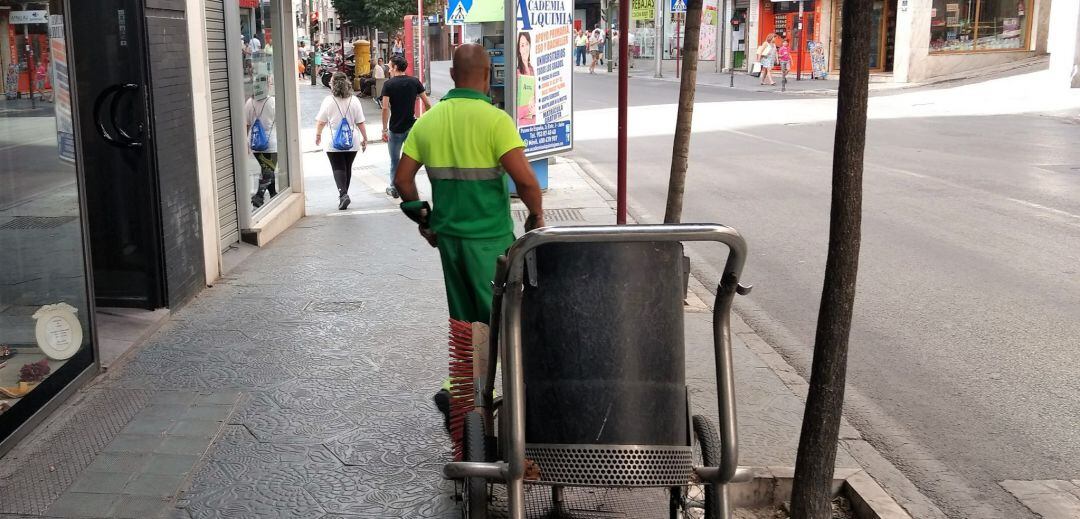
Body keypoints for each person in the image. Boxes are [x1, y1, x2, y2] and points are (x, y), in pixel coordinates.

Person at [393, 44, 544, 425]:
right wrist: (536, 216)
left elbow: (403, 180)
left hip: (450, 243)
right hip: (491, 242)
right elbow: (526, 181)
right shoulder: (495, 120)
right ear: (489, 74)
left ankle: (465, 401)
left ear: (454, 76)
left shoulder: (428, 121)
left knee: (464, 322)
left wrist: (424, 220)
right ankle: (505, 408)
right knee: (502, 321)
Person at [315, 72, 369, 210]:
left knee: (338, 167)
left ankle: (343, 194)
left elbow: (321, 122)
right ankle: (344, 194)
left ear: (332, 85)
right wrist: (365, 137)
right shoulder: (354, 100)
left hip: (333, 141)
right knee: (347, 167)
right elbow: (360, 122)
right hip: (352, 140)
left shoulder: (328, 100)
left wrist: (318, 135)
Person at [381, 56, 431, 198]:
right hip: (411, 127)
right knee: (412, 159)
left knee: (395, 160)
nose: (389, 69)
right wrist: (427, 121)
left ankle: (394, 187)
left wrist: (384, 129)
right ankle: (409, 184)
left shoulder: (388, 85)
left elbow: (385, 109)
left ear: (396, 67)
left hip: (395, 129)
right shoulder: (414, 82)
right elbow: (427, 103)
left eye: (390, 67)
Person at [245, 93, 278, 208]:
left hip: (254, 141)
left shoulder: (249, 102)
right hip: (271, 142)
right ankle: (259, 196)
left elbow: (247, 124)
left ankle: (274, 194)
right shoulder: (272, 101)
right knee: (268, 170)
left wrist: (246, 142)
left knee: (267, 169)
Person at [516, 32, 537, 126]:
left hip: (533, 121)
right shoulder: (517, 72)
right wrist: (529, 109)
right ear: (518, 49)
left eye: (527, 44)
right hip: (522, 124)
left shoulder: (531, 69)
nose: (525, 48)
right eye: (522, 45)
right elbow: (514, 108)